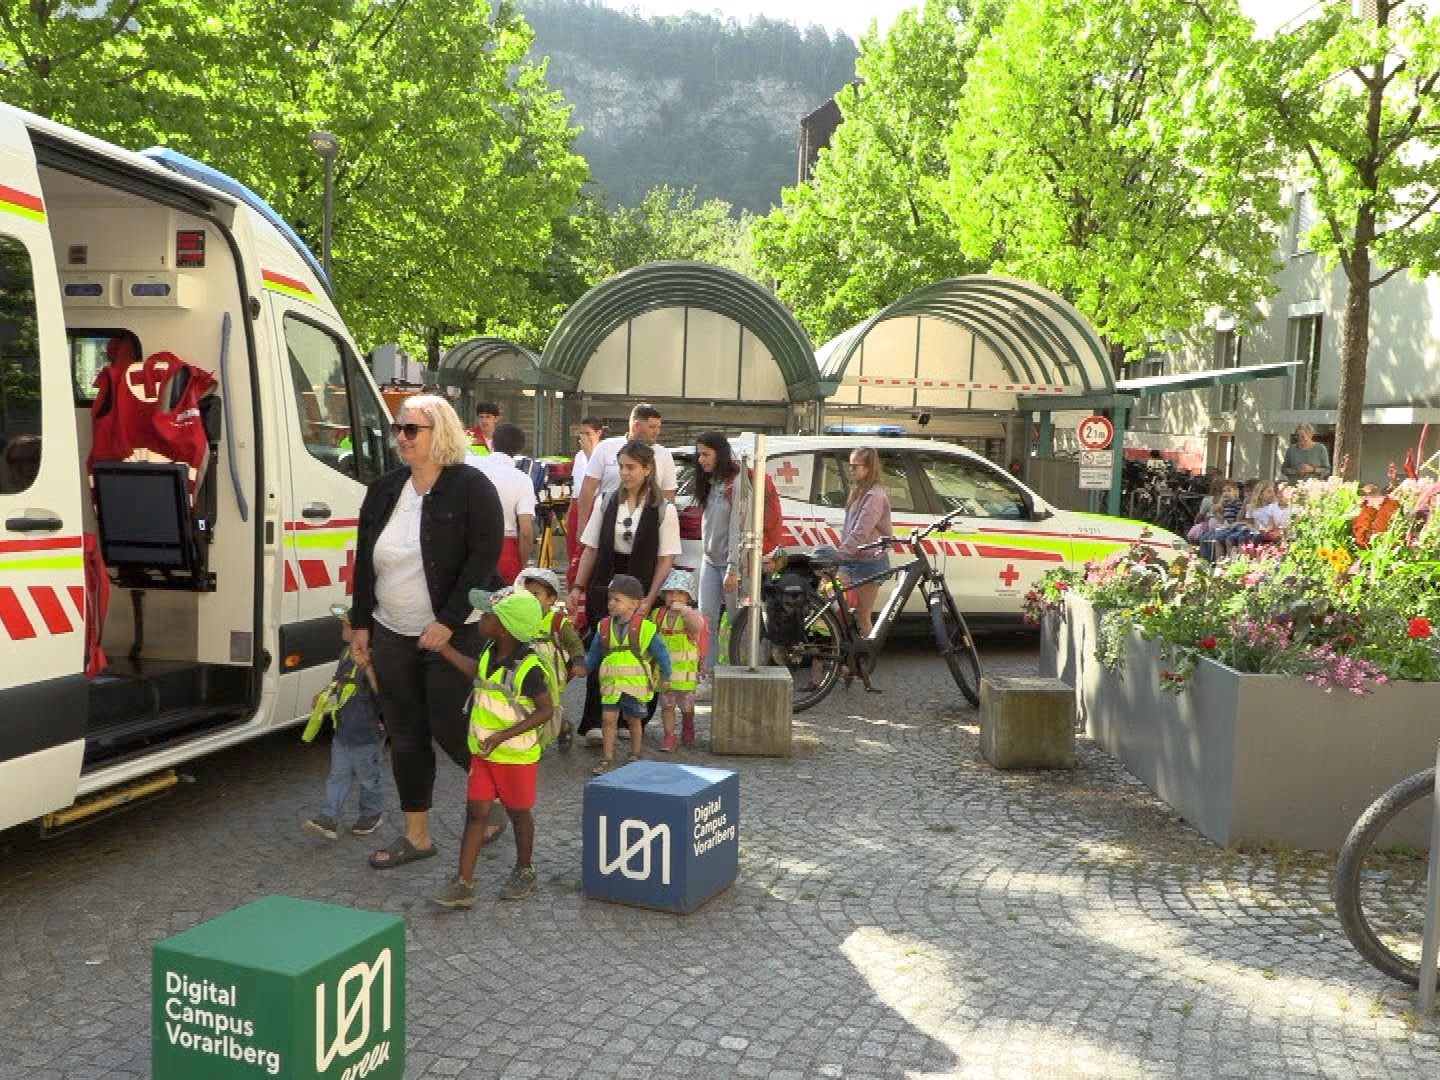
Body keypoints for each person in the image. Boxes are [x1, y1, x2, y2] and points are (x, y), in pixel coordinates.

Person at [349, 394, 506, 871]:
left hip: (452, 632)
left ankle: (498, 801)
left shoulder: (471, 486)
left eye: (411, 429)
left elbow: (484, 558)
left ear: (440, 433)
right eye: (398, 429)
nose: (401, 437)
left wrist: (449, 620)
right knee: (405, 733)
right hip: (390, 629)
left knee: (450, 727)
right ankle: (417, 837)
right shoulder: (384, 490)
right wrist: (359, 623)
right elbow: (363, 559)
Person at [429, 588, 551, 907]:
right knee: (475, 814)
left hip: (515, 759)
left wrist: (503, 735)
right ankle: (464, 883)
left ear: (505, 627)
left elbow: (545, 711)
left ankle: (525, 869)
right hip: (484, 754)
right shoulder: (488, 650)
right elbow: (478, 674)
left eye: (487, 615)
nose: (481, 618)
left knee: (518, 814)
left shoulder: (529, 668)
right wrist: (446, 651)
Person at [568, 439, 680, 744]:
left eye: (631, 467)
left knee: (639, 653)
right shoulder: (607, 501)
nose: (625, 473)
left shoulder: (663, 510)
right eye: (621, 467)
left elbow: (665, 560)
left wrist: (648, 598)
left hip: (642, 582)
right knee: (602, 648)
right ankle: (595, 720)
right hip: (607, 581)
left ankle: (632, 718)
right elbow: (590, 548)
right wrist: (578, 588)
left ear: (647, 469)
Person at [571, 574, 672, 775]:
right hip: (611, 685)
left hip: (635, 685)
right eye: (610, 599)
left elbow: (662, 654)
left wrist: (667, 676)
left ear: (634, 603)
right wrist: (585, 668)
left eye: (617, 599)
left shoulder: (646, 628)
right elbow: (594, 653)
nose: (611, 604)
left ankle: (635, 753)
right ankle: (607, 757)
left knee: (634, 720)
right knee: (608, 720)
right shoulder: (604, 627)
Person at [302, 611, 385, 841]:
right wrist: (323, 695)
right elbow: (339, 681)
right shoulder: (346, 652)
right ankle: (328, 818)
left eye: (346, 624)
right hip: (344, 729)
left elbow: (383, 694)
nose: (342, 626)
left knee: (369, 778)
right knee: (338, 776)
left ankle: (372, 813)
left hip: (366, 733)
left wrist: (367, 667)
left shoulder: (374, 657)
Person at [574, 403, 677, 543]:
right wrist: (582, 525)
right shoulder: (606, 447)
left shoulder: (664, 455)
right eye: (652, 427)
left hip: (646, 529)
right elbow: (588, 488)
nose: (657, 432)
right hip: (606, 526)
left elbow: (668, 496)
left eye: (659, 427)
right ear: (635, 425)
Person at [834, 448, 893, 676]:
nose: (851, 470)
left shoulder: (875, 495)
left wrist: (840, 554)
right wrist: (843, 554)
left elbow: (861, 531)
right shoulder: (859, 491)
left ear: (868, 468)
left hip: (869, 560)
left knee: (862, 614)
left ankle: (863, 666)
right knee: (839, 610)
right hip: (850, 560)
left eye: (855, 466)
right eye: (850, 465)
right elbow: (850, 530)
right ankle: (844, 662)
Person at [692, 431, 744, 681]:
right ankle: (708, 675)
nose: (701, 460)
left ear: (720, 454)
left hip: (731, 564)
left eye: (706, 454)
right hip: (710, 561)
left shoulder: (736, 482)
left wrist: (733, 567)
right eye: (699, 454)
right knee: (706, 621)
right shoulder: (709, 481)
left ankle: (741, 673)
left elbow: (737, 527)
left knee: (737, 621)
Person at [516, 566, 584, 750]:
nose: (530, 598)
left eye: (536, 594)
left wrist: (578, 661)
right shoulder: (521, 618)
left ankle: (558, 729)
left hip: (552, 673)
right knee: (528, 702)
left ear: (551, 599)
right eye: (527, 593)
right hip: (527, 667)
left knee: (549, 704)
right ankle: (535, 737)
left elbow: (573, 642)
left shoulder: (557, 621)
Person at [469, 422, 536, 584]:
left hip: (470, 545)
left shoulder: (471, 466)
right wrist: (522, 565)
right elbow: (526, 532)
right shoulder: (523, 480)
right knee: (505, 606)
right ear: (519, 449)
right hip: (506, 550)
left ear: (492, 442)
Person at [654, 568, 705, 751]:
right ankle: (669, 736)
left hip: (685, 675)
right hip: (665, 673)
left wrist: (684, 611)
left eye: (680, 593)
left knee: (686, 707)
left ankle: (688, 725)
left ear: (688, 597)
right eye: (670, 592)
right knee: (667, 705)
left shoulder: (691, 614)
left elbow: (698, 626)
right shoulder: (658, 615)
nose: (674, 596)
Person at [566, 417, 606, 589]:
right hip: (577, 505)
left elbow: (598, 483)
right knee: (573, 550)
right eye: (581, 434)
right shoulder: (578, 456)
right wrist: (570, 511)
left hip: (593, 507)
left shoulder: (602, 453)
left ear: (598, 433)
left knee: (587, 549)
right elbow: (577, 488)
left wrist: (591, 453)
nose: (583, 438)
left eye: (588, 434)